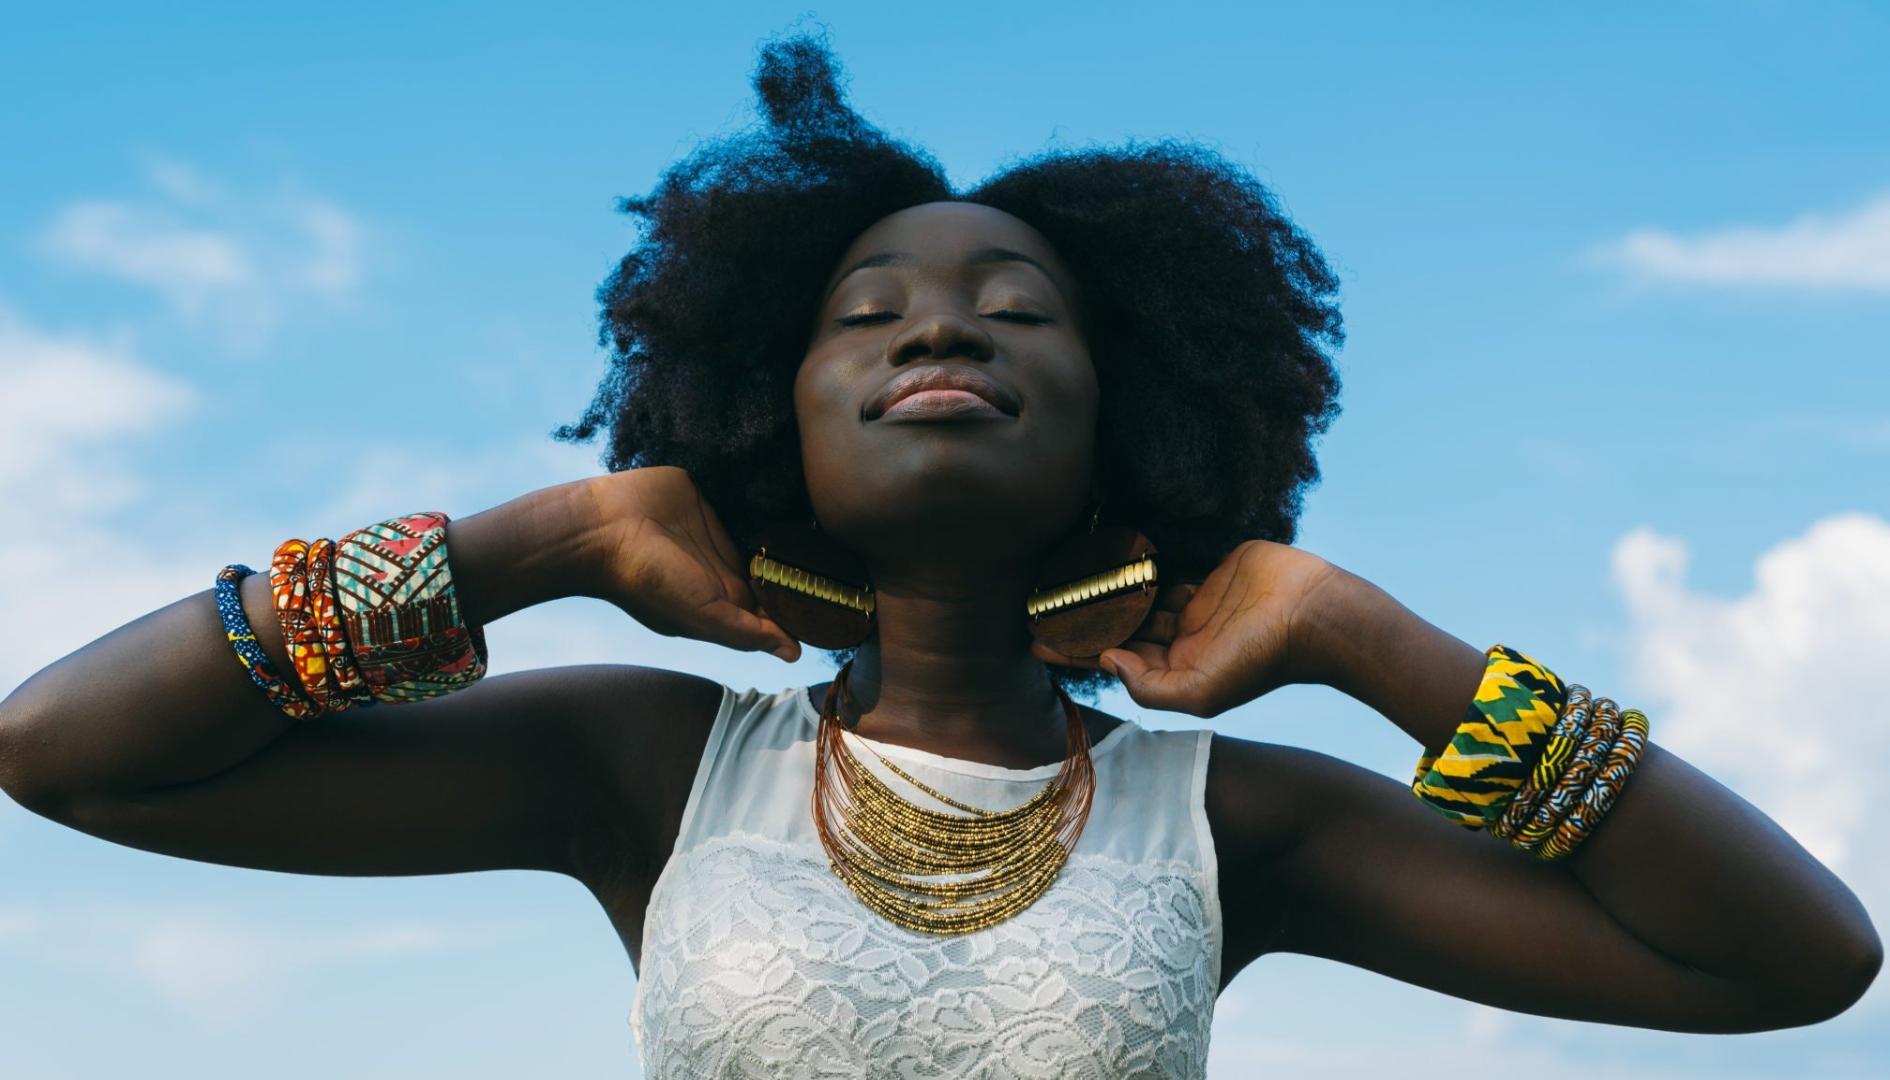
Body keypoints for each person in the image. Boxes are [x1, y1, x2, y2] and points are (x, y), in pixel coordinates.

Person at [0, 31, 1878, 1080]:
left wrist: (1367, 641)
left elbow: (1791, 964)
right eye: (865, 311)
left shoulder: (1230, 825)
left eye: (1013, 309)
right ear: (769, 412)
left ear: (1123, 421)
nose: (937, 331)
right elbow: (63, 751)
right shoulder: (652, 768)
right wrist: (540, 538)